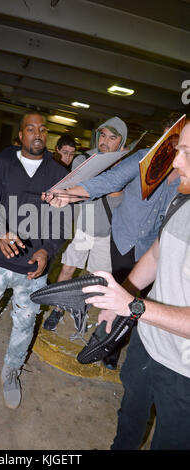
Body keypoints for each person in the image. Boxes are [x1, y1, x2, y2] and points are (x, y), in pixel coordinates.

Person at [81, 121, 190, 450]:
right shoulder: (183, 198)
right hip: (149, 343)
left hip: (183, 369)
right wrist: (123, 294)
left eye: (186, 153)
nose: (175, 162)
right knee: (130, 416)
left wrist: (134, 307)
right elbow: (158, 252)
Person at [44, 115, 180, 368]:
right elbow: (109, 180)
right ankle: (99, 338)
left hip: (152, 245)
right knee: (113, 293)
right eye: (166, 139)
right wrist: (69, 194)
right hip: (123, 238)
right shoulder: (144, 157)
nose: (171, 148)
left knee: (136, 302)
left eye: (179, 143)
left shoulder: (186, 170)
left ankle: (114, 345)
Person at [0, 111, 68, 409]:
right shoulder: (2, 163)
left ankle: (12, 369)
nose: (37, 133)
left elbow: (61, 221)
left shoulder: (58, 175)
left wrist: (47, 250)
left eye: (43, 129)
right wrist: (0, 230)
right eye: (31, 129)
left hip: (33, 267)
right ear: (20, 135)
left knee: (25, 321)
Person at [43, 117, 127, 334]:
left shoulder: (125, 166)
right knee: (68, 269)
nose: (105, 142)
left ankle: (80, 308)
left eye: (112, 138)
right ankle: (58, 308)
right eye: (103, 136)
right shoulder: (84, 160)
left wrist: (118, 170)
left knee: (95, 278)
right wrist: (111, 176)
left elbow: (119, 199)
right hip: (84, 228)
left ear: (121, 141)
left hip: (106, 233)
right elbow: (83, 192)